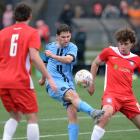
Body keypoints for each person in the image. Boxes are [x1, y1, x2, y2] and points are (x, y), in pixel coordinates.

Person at [0, 3, 57, 140]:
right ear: (30, 16)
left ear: (14, 16)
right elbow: (34, 57)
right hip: (20, 81)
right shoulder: (32, 32)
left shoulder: (2, 33)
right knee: (31, 117)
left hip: (2, 81)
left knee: (15, 116)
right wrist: (48, 77)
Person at [41, 24, 104, 140]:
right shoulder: (49, 47)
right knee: (73, 96)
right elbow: (44, 63)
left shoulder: (72, 47)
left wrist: (53, 56)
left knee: (73, 114)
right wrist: (43, 79)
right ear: (57, 37)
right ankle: (93, 112)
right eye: (63, 37)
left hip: (68, 83)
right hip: (54, 83)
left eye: (68, 36)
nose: (66, 39)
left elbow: (68, 59)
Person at [88, 27, 140, 140]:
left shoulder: (136, 59)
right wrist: (91, 83)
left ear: (132, 43)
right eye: (120, 43)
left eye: (126, 44)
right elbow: (95, 63)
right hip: (112, 95)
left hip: (128, 98)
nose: (122, 47)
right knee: (104, 115)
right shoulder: (109, 51)